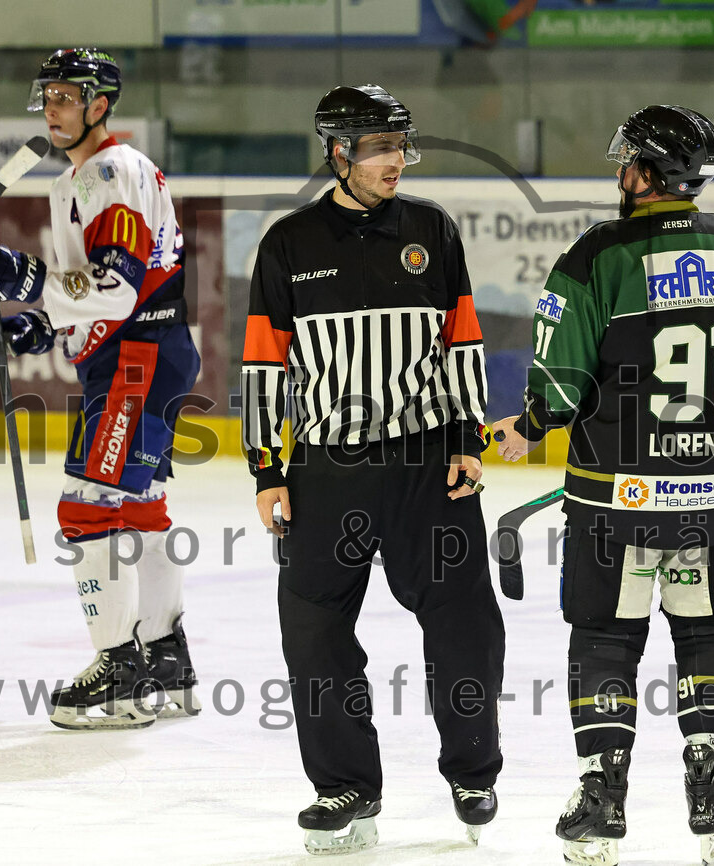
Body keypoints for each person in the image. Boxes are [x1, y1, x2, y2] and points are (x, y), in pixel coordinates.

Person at [495, 105, 714, 866]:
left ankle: (602, 797)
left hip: (613, 502)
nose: (620, 171)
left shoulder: (598, 256)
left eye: (630, 160)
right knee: (708, 633)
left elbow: (558, 388)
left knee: (605, 637)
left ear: (651, 172)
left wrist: (527, 426)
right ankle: (711, 788)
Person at [240, 84, 505, 855]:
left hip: (429, 467)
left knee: (466, 625)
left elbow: (461, 343)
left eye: (401, 146)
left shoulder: (431, 229)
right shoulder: (289, 242)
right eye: (381, 147)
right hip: (326, 471)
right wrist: (267, 467)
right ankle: (345, 786)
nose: (396, 160)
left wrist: (467, 437)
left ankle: (472, 771)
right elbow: (264, 365)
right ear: (340, 152)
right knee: (315, 635)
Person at [0, 48, 202, 731]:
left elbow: (117, 287)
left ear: (101, 105)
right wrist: (33, 326)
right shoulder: (77, 180)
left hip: (137, 358)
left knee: (88, 507)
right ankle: (164, 656)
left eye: (66, 96)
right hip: (136, 354)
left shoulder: (112, 172)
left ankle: (119, 674)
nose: (52, 109)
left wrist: (27, 279)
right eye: (47, 97)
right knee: (140, 506)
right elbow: (91, 290)